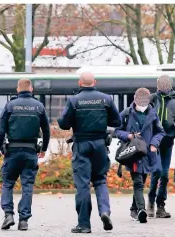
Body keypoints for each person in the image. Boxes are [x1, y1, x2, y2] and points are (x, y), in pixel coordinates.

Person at [57, 72, 121, 233]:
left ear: (80, 83)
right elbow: (117, 122)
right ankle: (105, 211)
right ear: (95, 82)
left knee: (83, 185)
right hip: (100, 144)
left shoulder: (74, 100)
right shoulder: (106, 99)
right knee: (100, 180)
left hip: (81, 145)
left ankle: (84, 224)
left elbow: (64, 124)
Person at [0, 78, 50, 231]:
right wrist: (44, 149)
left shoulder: (10, 106)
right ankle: (24, 220)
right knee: (27, 186)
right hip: (30, 151)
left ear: (17, 89)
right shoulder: (39, 107)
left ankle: (8, 214)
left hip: (12, 151)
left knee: (8, 183)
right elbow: (46, 131)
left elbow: (1, 130)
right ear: (31, 89)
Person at [115, 88, 165, 224]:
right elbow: (117, 130)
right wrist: (128, 135)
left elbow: (160, 132)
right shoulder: (126, 113)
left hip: (148, 153)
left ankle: (133, 209)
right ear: (135, 99)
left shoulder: (153, 114)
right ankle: (141, 210)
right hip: (133, 153)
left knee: (141, 182)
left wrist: (154, 144)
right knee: (138, 182)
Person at [147, 75, 175, 218]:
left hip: (167, 142)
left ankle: (160, 205)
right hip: (152, 142)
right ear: (158, 86)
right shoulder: (151, 99)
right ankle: (150, 202)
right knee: (157, 171)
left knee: (164, 174)